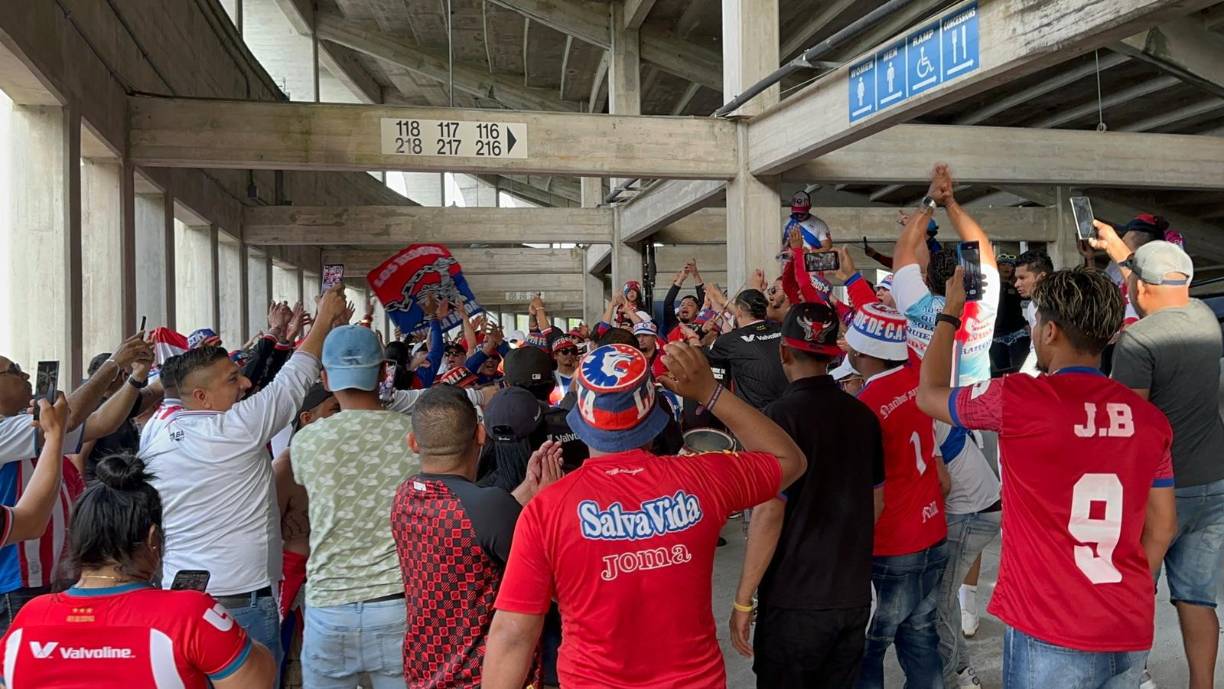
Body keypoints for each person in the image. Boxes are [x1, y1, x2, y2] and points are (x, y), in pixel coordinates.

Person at [482, 342, 807, 689]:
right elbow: (791, 460)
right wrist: (709, 393)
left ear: (581, 417)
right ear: (653, 416)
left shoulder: (546, 510)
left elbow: (513, 635)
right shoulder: (704, 478)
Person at [917, 267, 1178, 689]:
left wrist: (950, 312)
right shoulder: (1150, 420)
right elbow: (1163, 526)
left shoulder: (1017, 398)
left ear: (1051, 330)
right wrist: (1124, 593)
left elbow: (927, 394)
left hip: (1049, 626)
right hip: (1128, 623)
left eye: (1036, 321)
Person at [139, 285, 349, 664]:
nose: (247, 383)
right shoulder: (236, 429)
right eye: (233, 379)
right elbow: (293, 380)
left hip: (178, 597)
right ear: (201, 397)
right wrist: (323, 320)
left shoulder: (156, 429)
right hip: (241, 601)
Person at [0, 453, 276, 688]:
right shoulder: (190, 614)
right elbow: (255, 681)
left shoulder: (29, 619)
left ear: (78, 539)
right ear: (153, 538)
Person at [1091, 225, 1224, 689]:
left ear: (1140, 290)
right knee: (1197, 599)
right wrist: (1120, 250)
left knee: (1135, 592)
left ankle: (1131, 680)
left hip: (1159, 493)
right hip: (1214, 484)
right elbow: (1152, 281)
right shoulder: (1205, 317)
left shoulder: (1138, 341)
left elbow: (1130, 427)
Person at [730, 302, 884, 688]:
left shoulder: (777, 420)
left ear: (783, 351)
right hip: (850, 596)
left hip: (794, 600)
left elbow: (769, 513)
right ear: (833, 355)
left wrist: (743, 598)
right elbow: (876, 502)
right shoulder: (863, 417)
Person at [391, 386, 562, 689]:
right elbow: (552, 577)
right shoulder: (487, 507)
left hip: (423, 671)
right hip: (485, 675)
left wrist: (528, 487)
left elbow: (473, 520)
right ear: (481, 434)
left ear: (413, 442)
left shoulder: (404, 496)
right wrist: (549, 503)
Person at [290, 325, 422, 688]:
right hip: (397, 603)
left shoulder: (306, 441)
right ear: (382, 373)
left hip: (328, 604)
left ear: (325, 378)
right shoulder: (413, 435)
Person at [0, 333, 155, 632]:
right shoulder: (7, 432)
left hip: (50, 572)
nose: (27, 376)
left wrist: (136, 378)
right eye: (15, 371)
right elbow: (68, 420)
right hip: (18, 580)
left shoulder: (26, 426)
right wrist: (114, 364)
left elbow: (101, 422)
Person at [845, 302, 948, 689]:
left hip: (892, 544)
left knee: (868, 649)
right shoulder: (917, 374)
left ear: (862, 354)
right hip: (932, 530)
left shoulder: (864, 408)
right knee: (921, 637)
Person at [892, 164, 1000, 386]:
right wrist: (950, 202)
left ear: (927, 280)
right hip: (975, 401)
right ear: (968, 276)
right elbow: (981, 246)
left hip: (926, 398)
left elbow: (905, 248)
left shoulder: (915, 304)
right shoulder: (982, 303)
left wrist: (930, 201)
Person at [271, 384, 339, 683]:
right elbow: (267, 533)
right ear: (307, 418)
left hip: (334, 584)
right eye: (334, 410)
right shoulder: (286, 467)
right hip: (294, 585)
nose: (342, 417)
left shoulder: (343, 461)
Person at [707, 289, 789, 410]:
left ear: (739, 310)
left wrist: (697, 337)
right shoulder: (783, 329)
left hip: (757, 416)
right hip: (792, 409)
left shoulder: (729, 341)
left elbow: (703, 363)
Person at [1013, 250, 1053, 376]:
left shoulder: (1061, 307)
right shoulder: (1031, 307)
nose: (1016, 284)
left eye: (1022, 278)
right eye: (1016, 278)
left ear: (1042, 277)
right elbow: (1034, 349)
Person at [991, 255, 1029, 375]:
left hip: (1018, 333)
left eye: (1010, 265)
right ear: (997, 267)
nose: (1007, 268)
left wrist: (1026, 324)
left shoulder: (1017, 286)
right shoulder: (989, 287)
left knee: (1021, 371)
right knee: (1000, 373)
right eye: (1003, 264)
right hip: (996, 336)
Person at [661, 260, 707, 340]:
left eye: (690, 305)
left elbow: (705, 303)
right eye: (682, 305)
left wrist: (695, 274)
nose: (685, 307)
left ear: (698, 311)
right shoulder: (673, 324)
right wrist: (681, 279)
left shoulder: (701, 326)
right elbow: (668, 303)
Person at [549, 337, 580, 406]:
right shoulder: (550, 378)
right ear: (555, 355)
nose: (570, 354)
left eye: (573, 351)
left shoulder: (582, 376)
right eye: (564, 351)